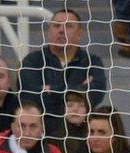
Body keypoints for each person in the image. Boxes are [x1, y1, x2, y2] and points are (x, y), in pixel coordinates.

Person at [19, 9, 106, 137]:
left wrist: (50, 89)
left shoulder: (92, 61)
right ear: (49, 32)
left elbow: (96, 94)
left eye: (68, 26)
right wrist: (79, 90)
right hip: (40, 136)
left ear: (79, 34)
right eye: (56, 25)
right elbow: (29, 97)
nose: (61, 30)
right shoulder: (32, 61)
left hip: (81, 137)